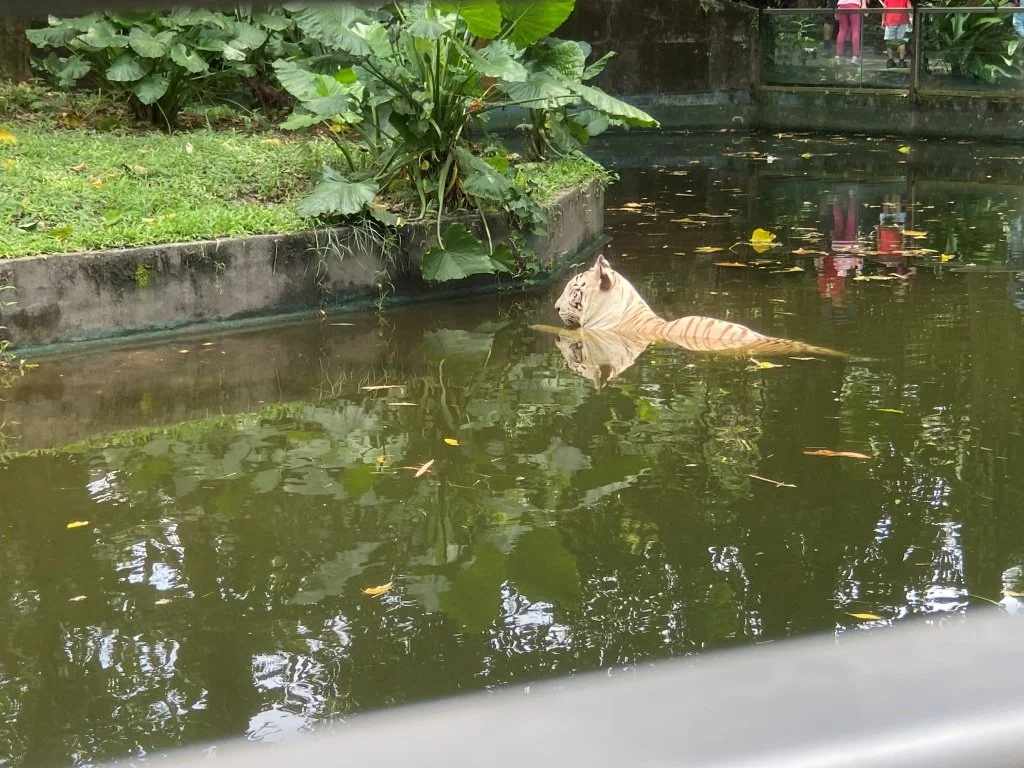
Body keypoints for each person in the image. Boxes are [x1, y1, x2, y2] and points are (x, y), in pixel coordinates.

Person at [882, 0, 912, 68]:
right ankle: (901, 61)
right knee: (901, 41)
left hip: (890, 20)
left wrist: (883, 20)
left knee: (889, 41)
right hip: (902, 20)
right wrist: (910, 18)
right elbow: (909, 6)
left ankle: (890, 60)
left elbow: (884, 8)